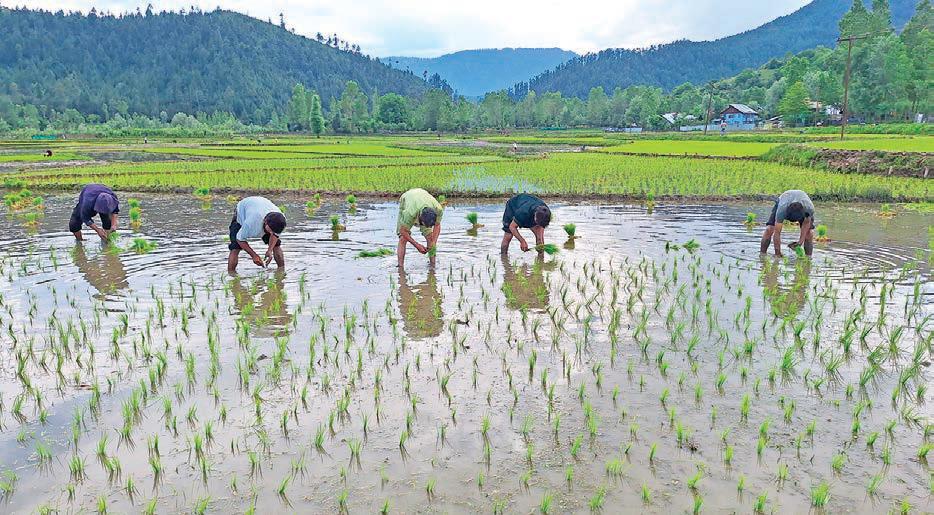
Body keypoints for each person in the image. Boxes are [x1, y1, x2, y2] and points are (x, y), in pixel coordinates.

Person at [227, 196, 287, 273]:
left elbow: (275, 235)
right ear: (265, 222)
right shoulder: (251, 222)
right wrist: (254, 255)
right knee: (235, 247)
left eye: (274, 231)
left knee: (276, 245)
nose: (272, 233)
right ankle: (231, 275)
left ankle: (281, 272)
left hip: (262, 205)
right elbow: (240, 239)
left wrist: (269, 250)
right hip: (242, 210)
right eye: (271, 230)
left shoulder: (281, 221)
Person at [760, 189, 816, 257]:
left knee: (809, 233)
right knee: (769, 229)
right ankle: (762, 255)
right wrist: (778, 254)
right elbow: (777, 233)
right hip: (785, 197)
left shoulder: (809, 208)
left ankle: (808, 258)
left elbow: (806, 223)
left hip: (802, 202)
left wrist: (800, 242)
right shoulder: (782, 210)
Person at [396, 188, 442, 269]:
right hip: (408, 197)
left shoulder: (438, 209)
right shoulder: (409, 213)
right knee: (403, 238)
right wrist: (417, 245)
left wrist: (433, 243)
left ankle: (432, 266)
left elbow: (437, 225)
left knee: (430, 237)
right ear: (420, 218)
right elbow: (403, 231)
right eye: (425, 225)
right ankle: (400, 267)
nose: (428, 227)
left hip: (422, 194)